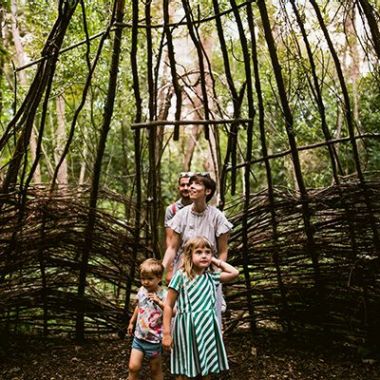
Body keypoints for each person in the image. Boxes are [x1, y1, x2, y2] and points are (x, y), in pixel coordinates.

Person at [162, 236, 239, 379]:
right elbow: (168, 305)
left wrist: (216, 261)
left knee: (207, 367)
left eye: (207, 252)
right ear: (189, 255)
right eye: (198, 252)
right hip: (185, 328)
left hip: (207, 327)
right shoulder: (181, 276)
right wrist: (166, 333)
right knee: (184, 369)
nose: (204, 255)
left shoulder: (211, 277)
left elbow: (234, 273)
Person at [162, 173, 233, 322]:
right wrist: (161, 269)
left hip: (209, 272)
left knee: (209, 317)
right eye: (190, 184)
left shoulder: (217, 217)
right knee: (181, 314)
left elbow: (223, 251)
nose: (191, 187)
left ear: (207, 191)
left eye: (196, 184)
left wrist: (215, 277)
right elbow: (172, 248)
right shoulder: (181, 215)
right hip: (183, 271)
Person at [127, 258, 167, 380]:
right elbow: (139, 306)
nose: (145, 282)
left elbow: (172, 311)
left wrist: (159, 302)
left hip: (154, 340)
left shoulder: (164, 294)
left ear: (159, 278)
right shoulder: (142, 291)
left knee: (155, 371)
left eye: (150, 279)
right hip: (139, 337)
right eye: (143, 278)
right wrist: (132, 322)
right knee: (133, 367)